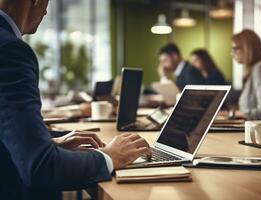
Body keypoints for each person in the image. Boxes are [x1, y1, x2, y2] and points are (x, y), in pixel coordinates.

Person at [0, 0, 151, 199]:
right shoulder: (11, 50)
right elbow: (40, 167)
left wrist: (48, 144)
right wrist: (109, 156)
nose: (46, 11)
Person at [231, 29, 261, 120]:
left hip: (259, 131)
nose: (232, 54)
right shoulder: (254, 70)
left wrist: (235, 113)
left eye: (234, 48)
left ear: (247, 48)